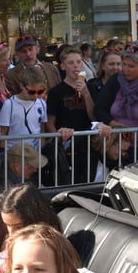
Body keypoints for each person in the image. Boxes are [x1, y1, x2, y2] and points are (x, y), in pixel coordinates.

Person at [47, 46, 110, 182]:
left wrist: (86, 94)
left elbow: (94, 117)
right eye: (71, 63)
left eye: (78, 62)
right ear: (63, 67)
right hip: (67, 146)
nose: (76, 66)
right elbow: (50, 122)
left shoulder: (91, 87)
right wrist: (58, 139)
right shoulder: (56, 92)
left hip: (88, 145)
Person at [0, 66, 52, 150]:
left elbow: (42, 130)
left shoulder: (42, 103)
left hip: (35, 152)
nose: (36, 95)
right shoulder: (9, 105)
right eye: (31, 92)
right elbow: (3, 132)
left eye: (40, 92)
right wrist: (2, 155)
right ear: (21, 86)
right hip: (14, 152)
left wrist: (41, 150)